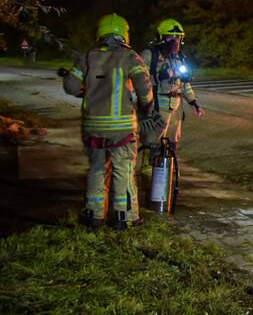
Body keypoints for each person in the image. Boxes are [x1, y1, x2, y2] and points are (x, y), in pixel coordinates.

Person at [60, 13, 161, 229]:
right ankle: (125, 218)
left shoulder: (88, 56)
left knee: (97, 169)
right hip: (122, 129)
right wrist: (146, 107)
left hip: (93, 128)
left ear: (100, 33)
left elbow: (70, 86)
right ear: (124, 34)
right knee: (122, 170)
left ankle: (94, 216)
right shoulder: (130, 57)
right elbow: (145, 88)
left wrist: (84, 90)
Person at [139, 19, 204, 164]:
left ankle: (166, 178)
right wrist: (162, 75)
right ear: (161, 38)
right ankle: (148, 177)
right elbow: (139, 83)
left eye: (178, 38)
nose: (175, 42)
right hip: (157, 106)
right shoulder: (149, 56)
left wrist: (194, 102)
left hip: (176, 108)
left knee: (172, 145)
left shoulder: (179, 58)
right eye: (171, 38)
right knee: (152, 145)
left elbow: (184, 84)